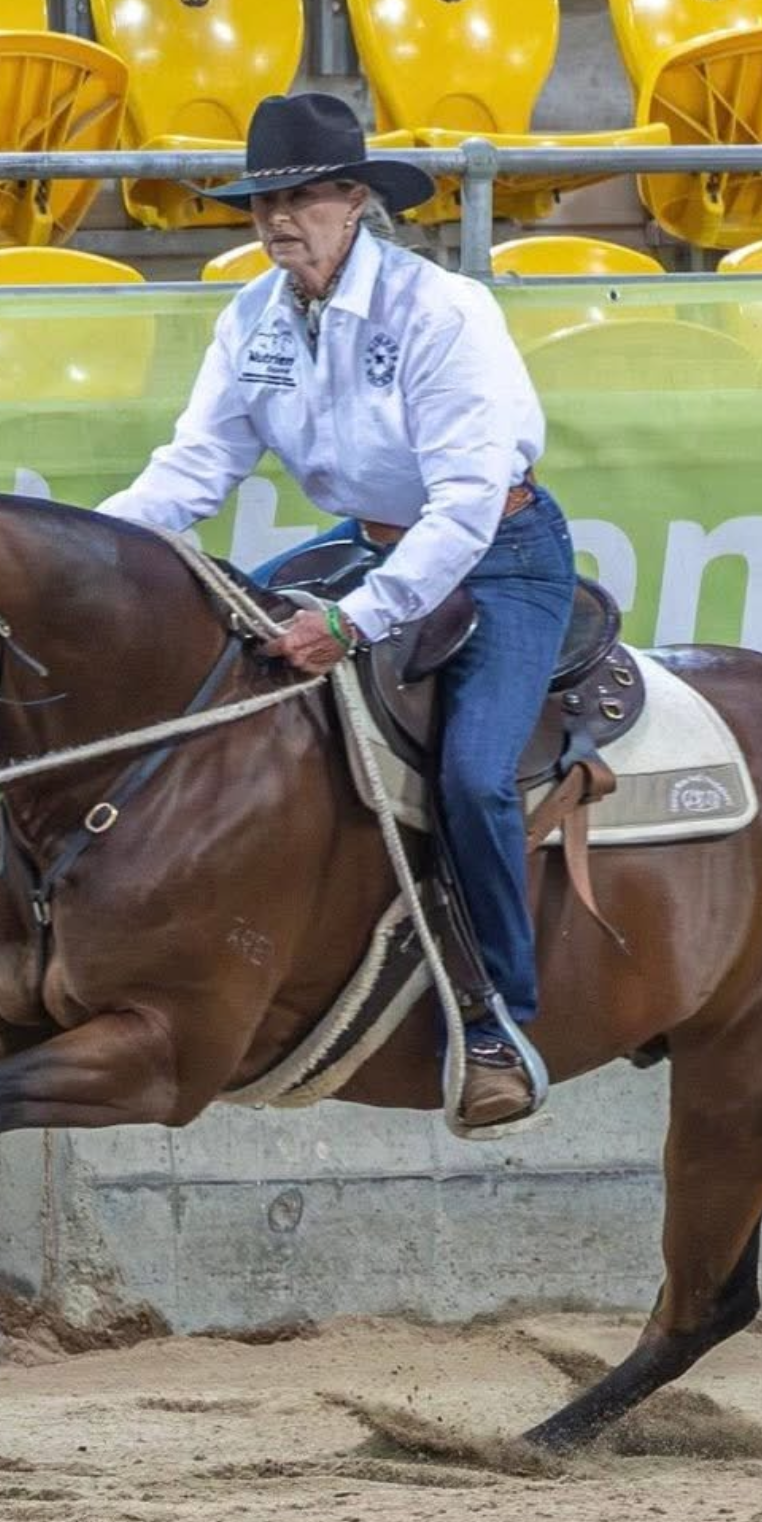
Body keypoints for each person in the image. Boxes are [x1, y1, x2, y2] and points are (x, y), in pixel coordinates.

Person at [98, 92, 576, 1128]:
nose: (279, 218)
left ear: (356, 200)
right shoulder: (251, 318)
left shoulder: (440, 311)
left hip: (499, 556)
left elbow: (463, 505)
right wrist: (88, 549)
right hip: (367, 540)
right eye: (264, 201)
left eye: (305, 196)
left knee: (474, 775)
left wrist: (354, 620)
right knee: (222, 673)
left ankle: (494, 1017)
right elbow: (194, 467)